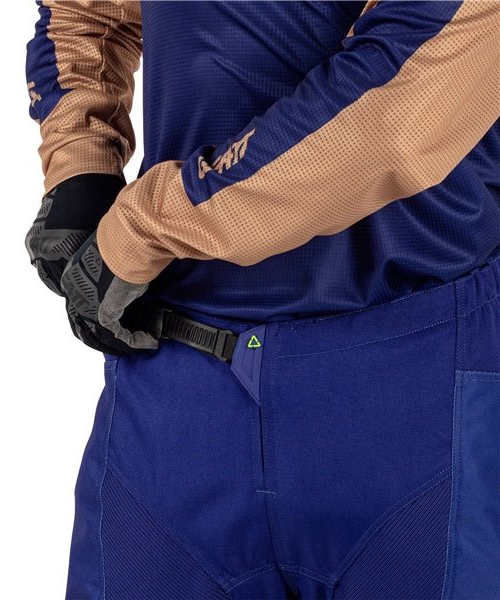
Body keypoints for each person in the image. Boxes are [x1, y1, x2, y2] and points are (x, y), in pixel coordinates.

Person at [25, 1, 500, 598]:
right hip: (174, 382)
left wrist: (143, 230)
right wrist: (81, 163)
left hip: (413, 382)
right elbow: (86, 12)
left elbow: (397, 110)